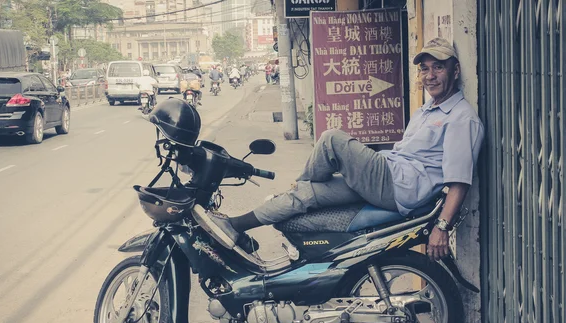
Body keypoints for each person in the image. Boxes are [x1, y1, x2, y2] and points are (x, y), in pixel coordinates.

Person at [201, 38, 485, 261]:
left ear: (455, 70)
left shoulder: (461, 118)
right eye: (425, 68)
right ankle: (235, 227)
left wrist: (442, 228)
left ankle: (300, 182)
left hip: (400, 187)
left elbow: (459, 180)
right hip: (389, 177)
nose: (430, 75)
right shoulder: (428, 109)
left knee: (333, 139)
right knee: (306, 195)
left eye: (439, 67)